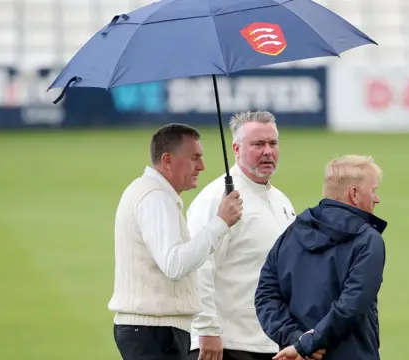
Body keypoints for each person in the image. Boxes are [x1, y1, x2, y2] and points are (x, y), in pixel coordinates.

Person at [108, 123, 244, 360]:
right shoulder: (155, 197)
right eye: (194, 158)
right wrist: (221, 222)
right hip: (153, 330)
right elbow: (174, 264)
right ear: (168, 160)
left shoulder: (155, 194)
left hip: (154, 328)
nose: (202, 166)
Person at [185, 111, 297, 360]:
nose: (268, 151)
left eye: (273, 143)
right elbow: (197, 267)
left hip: (272, 341)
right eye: (258, 144)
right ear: (236, 149)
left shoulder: (280, 201)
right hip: (226, 344)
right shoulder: (216, 199)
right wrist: (207, 329)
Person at [254, 155, 388, 360]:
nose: (377, 198)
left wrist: (297, 340)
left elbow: (265, 297)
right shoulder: (367, 239)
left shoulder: (289, 235)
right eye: (374, 190)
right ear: (354, 193)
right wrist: (307, 343)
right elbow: (351, 305)